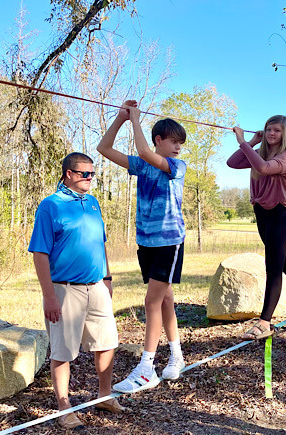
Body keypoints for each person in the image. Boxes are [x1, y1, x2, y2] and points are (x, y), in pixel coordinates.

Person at [28, 152, 125, 430]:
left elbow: (101, 243)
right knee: (63, 350)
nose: (90, 179)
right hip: (64, 290)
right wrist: (49, 295)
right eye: (85, 174)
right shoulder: (50, 206)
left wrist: (107, 278)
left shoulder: (93, 203)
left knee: (107, 342)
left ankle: (104, 396)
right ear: (68, 174)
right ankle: (64, 407)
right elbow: (39, 253)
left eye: (93, 174)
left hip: (96, 287)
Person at [97, 100, 187, 393]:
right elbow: (105, 149)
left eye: (180, 143)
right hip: (146, 241)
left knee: (151, 301)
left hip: (168, 241)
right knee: (164, 299)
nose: (178, 147)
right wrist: (121, 118)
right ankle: (176, 356)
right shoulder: (142, 166)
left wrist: (136, 119)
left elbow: (145, 152)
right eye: (173, 142)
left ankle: (147, 369)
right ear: (160, 139)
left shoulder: (176, 166)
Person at [227, 115, 286, 340]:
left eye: (276, 130)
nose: (271, 134)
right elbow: (233, 163)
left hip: (280, 214)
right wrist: (250, 141)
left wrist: (241, 141)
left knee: (274, 266)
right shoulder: (258, 153)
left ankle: (265, 322)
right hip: (262, 213)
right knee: (284, 262)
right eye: (268, 129)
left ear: (284, 134)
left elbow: (264, 168)